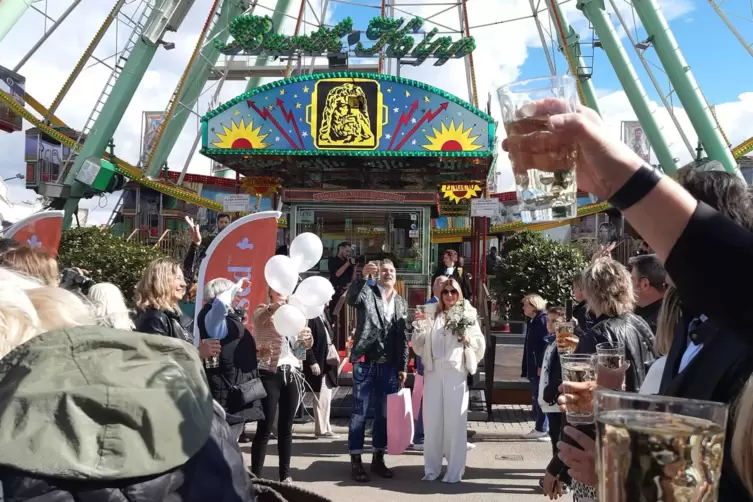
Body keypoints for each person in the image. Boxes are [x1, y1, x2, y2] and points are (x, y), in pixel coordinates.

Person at [501, 96, 753, 498]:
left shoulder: (736, 339)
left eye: (664, 226)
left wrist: (622, 470)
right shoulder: (693, 322)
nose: (647, 242)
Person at [411, 277, 485, 483]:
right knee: (432, 421)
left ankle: (454, 470)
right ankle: (432, 469)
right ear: (440, 294)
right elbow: (418, 345)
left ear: (459, 293)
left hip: (456, 371)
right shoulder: (432, 313)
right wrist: (419, 328)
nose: (450, 295)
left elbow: (479, 343)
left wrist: (467, 338)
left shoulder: (468, 313)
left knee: (455, 423)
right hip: (434, 371)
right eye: (446, 292)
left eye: (453, 291)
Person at [346, 259, 409, 483]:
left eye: (392, 271)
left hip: (389, 365)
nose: (388, 274)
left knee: (383, 414)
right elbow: (351, 299)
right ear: (378, 274)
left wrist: (403, 366)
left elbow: (402, 337)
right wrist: (361, 278)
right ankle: (355, 461)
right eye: (384, 271)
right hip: (366, 361)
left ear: (396, 275)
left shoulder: (401, 302)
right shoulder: (368, 291)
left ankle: (378, 458)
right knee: (359, 412)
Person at [251, 289, 314, 484]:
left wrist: (307, 339)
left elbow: (300, 347)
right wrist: (275, 309)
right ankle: (256, 476)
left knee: (286, 427)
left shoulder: (296, 314)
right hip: (270, 372)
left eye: (285, 289)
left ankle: (284, 475)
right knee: (265, 426)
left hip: (292, 371)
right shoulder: (263, 310)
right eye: (277, 288)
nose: (282, 292)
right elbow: (257, 319)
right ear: (269, 291)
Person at [198, 277, 265, 441]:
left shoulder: (227, 318)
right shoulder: (214, 318)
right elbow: (220, 305)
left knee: (229, 445)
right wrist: (236, 286)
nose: (238, 297)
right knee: (224, 447)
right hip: (226, 392)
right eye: (234, 294)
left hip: (235, 388)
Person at [538, 306, 571, 494]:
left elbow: (560, 371)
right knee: (554, 437)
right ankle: (558, 476)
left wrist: (551, 392)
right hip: (549, 399)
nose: (550, 324)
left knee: (559, 439)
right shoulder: (550, 342)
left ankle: (561, 478)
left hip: (556, 400)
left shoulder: (562, 343)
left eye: (555, 321)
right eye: (548, 321)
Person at [304, 311, 339, 438]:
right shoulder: (310, 316)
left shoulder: (324, 314)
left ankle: (325, 427)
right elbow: (305, 342)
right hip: (317, 362)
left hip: (326, 362)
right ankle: (322, 429)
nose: (329, 300)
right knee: (320, 396)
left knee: (325, 396)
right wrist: (312, 361)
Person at [520, 293, 549, 440]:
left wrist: (540, 365)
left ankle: (543, 428)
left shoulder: (542, 320)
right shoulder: (534, 321)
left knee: (540, 396)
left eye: (526, 305)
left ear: (533, 306)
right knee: (537, 396)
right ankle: (541, 427)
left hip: (538, 366)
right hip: (533, 365)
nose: (523, 308)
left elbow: (544, 344)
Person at [628, 253, 666, 334]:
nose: (627, 285)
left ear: (644, 284)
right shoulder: (672, 314)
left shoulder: (651, 328)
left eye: (632, 280)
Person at [328, 241, 357, 317]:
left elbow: (353, 278)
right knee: (335, 314)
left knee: (346, 316)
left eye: (350, 252)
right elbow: (337, 274)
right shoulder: (332, 260)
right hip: (336, 292)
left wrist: (354, 267)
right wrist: (348, 263)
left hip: (347, 293)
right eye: (347, 251)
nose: (348, 254)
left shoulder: (348, 263)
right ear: (340, 249)